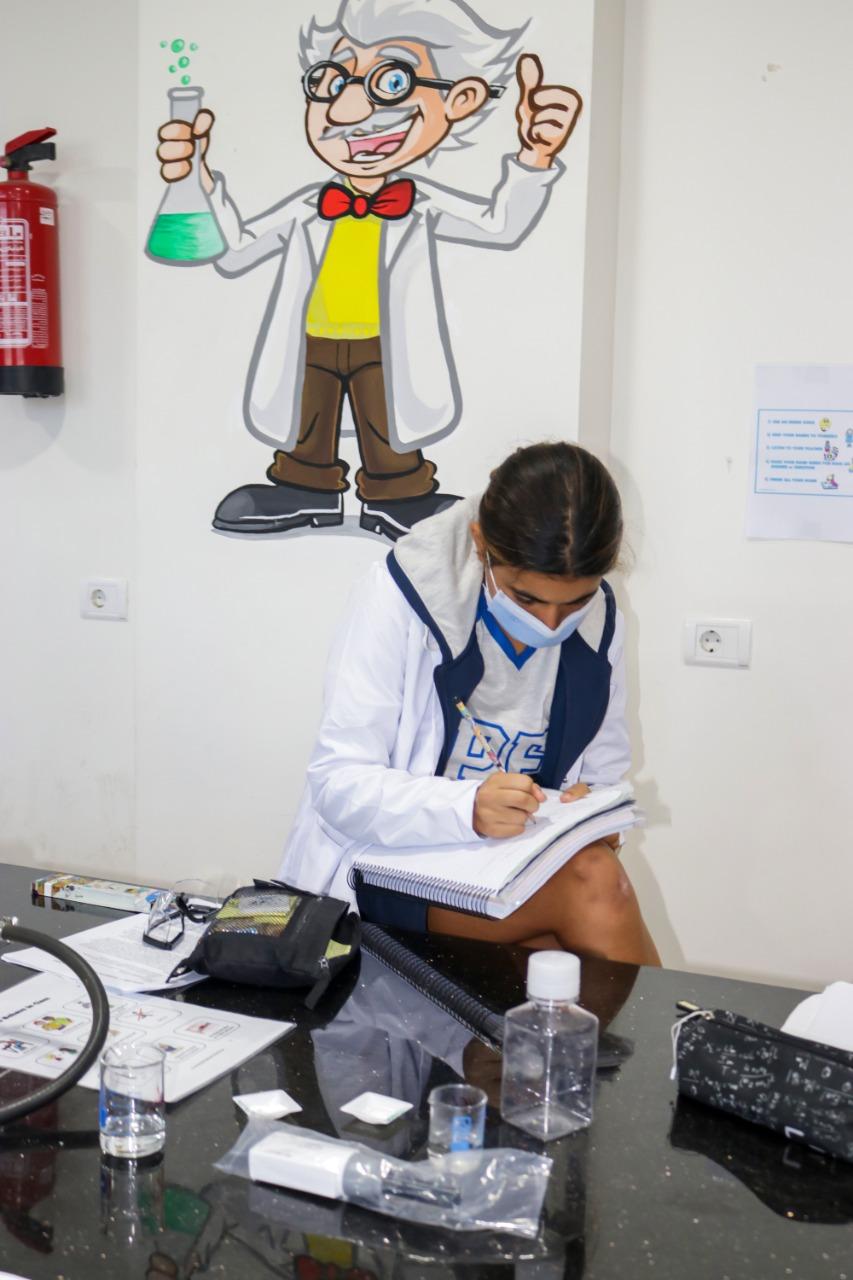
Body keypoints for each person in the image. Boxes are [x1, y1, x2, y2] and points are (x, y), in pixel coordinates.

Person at [280, 441, 661, 965]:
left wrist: (589, 808)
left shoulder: (601, 620)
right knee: (596, 887)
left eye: (574, 601)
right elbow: (337, 783)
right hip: (387, 865)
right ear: (481, 543)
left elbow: (602, 770)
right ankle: (685, 1044)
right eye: (527, 598)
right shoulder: (399, 594)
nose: (551, 623)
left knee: (558, 949)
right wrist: (467, 809)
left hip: (510, 866)